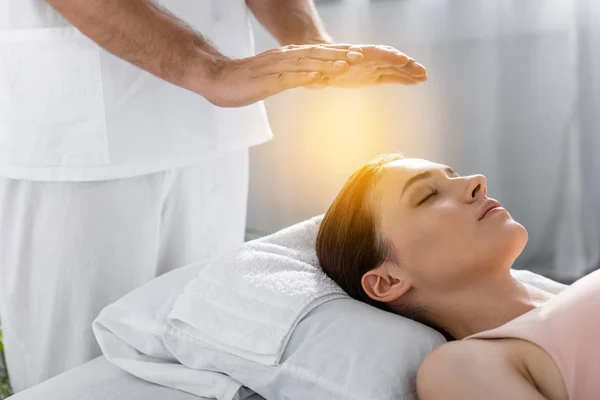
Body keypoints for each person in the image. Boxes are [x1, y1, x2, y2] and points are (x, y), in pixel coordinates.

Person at [0, 0, 428, 392]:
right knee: (70, 376)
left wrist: (313, 49)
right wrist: (209, 69)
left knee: (201, 356)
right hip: (80, 134)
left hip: (211, 127)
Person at [316, 153, 599, 399]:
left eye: (455, 176)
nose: (477, 180)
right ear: (388, 281)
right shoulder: (461, 366)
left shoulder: (572, 295)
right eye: (428, 195)